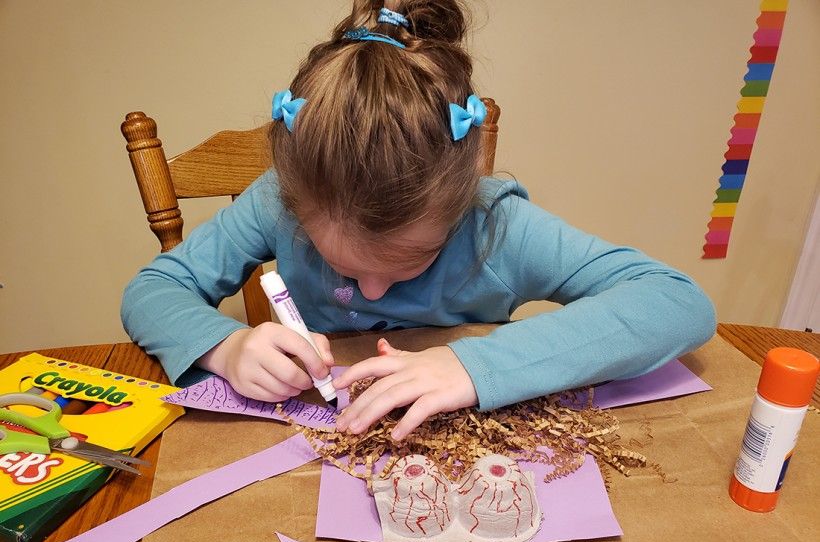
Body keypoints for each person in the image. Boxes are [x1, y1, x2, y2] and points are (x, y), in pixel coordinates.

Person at [121, 0, 716, 442]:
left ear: (459, 200)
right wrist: (227, 349)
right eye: (341, 263)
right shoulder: (277, 199)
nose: (371, 290)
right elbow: (153, 289)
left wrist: (473, 365)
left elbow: (676, 302)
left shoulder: (496, 228)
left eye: (412, 260)